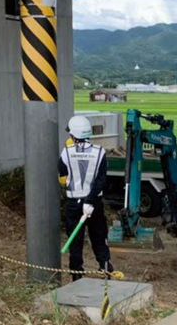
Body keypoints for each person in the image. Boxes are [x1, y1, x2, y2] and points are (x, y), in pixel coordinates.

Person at [58, 115, 112, 281]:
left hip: (74, 204)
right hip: (94, 204)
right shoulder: (100, 153)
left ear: (73, 135)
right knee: (99, 238)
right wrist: (89, 200)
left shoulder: (66, 152)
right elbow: (101, 180)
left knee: (75, 242)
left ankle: (76, 277)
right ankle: (106, 272)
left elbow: (62, 176)